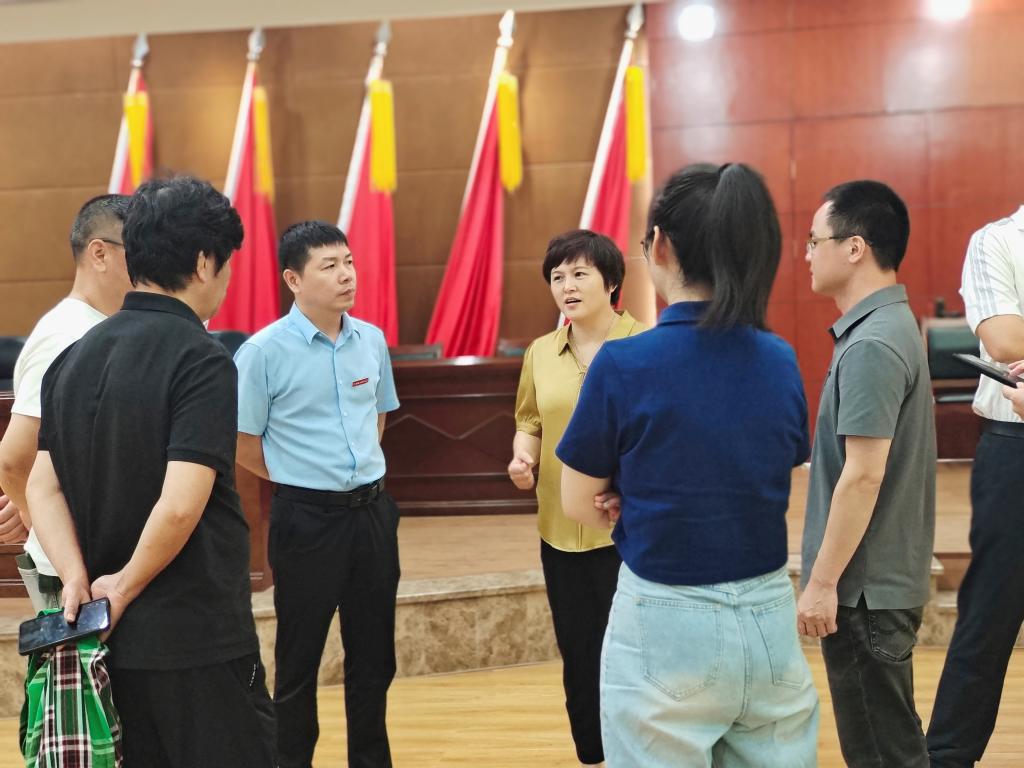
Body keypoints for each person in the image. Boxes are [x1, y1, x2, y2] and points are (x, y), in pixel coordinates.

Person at [556, 163, 818, 767]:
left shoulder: (623, 364)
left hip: (665, 618)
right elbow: (765, 469)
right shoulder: (779, 359)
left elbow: (577, 503)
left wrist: (632, 501)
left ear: (661, 246)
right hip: (769, 615)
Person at [25, 176, 276, 767]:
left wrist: (77, 580)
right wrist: (124, 585)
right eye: (226, 265)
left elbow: (42, 485)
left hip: (107, 642)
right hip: (196, 637)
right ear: (204, 262)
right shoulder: (202, 358)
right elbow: (181, 503)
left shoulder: (72, 358)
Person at [234, 220, 401, 768]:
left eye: (348, 261)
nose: (346, 274)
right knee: (299, 659)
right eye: (329, 266)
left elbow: (377, 419)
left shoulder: (371, 340)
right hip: (306, 520)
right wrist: (298, 474)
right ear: (294, 279)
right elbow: (242, 441)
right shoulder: (262, 352)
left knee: (374, 657)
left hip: (372, 514)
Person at [797, 180, 935, 768]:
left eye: (814, 241)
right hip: (874, 586)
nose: (807, 254)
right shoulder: (887, 327)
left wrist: (822, 582)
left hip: (862, 591)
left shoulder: (873, 342)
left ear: (854, 247)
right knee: (893, 746)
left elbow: (863, 476)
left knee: (883, 754)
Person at [509, 229, 646, 767]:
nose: (566, 286)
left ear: (611, 282)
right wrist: (523, 459)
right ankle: (594, 754)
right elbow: (530, 420)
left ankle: (640, 752)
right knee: (579, 650)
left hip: (630, 532)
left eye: (579, 274)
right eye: (557, 276)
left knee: (634, 651)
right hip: (560, 530)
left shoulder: (646, 346)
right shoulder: (541, 352)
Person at [0, 193, 131, 611]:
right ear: (100, 253)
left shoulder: (101, 326)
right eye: (139, 251)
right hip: (72, 571)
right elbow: (14, 459)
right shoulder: (67, 335)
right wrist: (41, 526)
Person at [928, 205, 1024, 768]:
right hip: (1015, 451)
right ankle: (947, 757)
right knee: (988, 616)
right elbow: (1006, 340)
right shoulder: (997, 241)